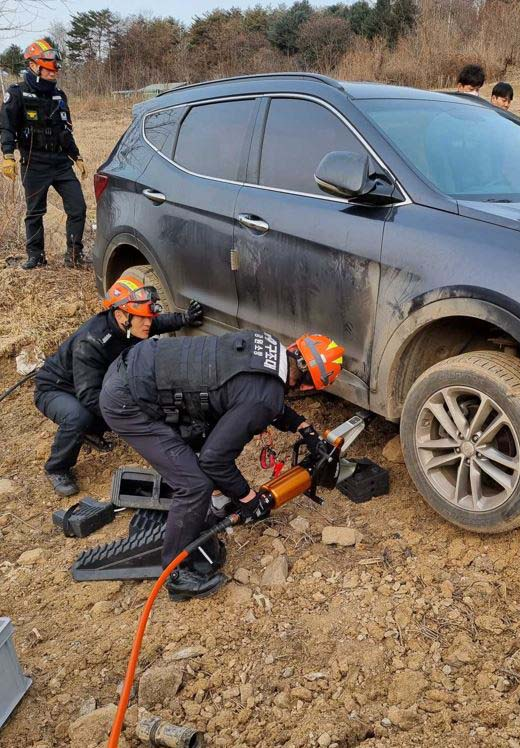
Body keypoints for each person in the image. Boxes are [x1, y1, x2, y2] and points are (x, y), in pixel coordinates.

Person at [100, 330, 345, 601]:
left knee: (205, 438)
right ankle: (176, 575)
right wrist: (249, 498)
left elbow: (257, 395)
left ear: (295, 347)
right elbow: (214, 459)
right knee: (194, 485)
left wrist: (302, 427)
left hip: (131, 365)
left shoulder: (266, 345)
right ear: (310, 387)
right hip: (128, 403)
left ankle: (209, 509)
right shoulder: (266, 397)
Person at [35, 273, 203, 497]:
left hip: (89, 384)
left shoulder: (129, 324)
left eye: (149, 317)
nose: (148, 323)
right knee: (80, 416)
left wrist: (183, 320)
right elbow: (89, 396)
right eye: (142, 318)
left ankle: (91, 430)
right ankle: (57, 468)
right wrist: (132, 414)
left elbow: (153, 323)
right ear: (121, 315)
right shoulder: (91, 342)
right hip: (57, 390)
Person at [0, 39, 87, 270]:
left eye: (55, 66)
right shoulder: (17, 93)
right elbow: (6, 127)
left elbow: (65, 130)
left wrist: (76, 156)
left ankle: (74, 255)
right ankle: (36, 256)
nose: (54, 71)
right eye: (49, 66)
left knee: (78, 207)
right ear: (33, 65)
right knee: (35, 212)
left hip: (60, 162)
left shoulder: (59, 96)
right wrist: (7, 155)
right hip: (34, 163)